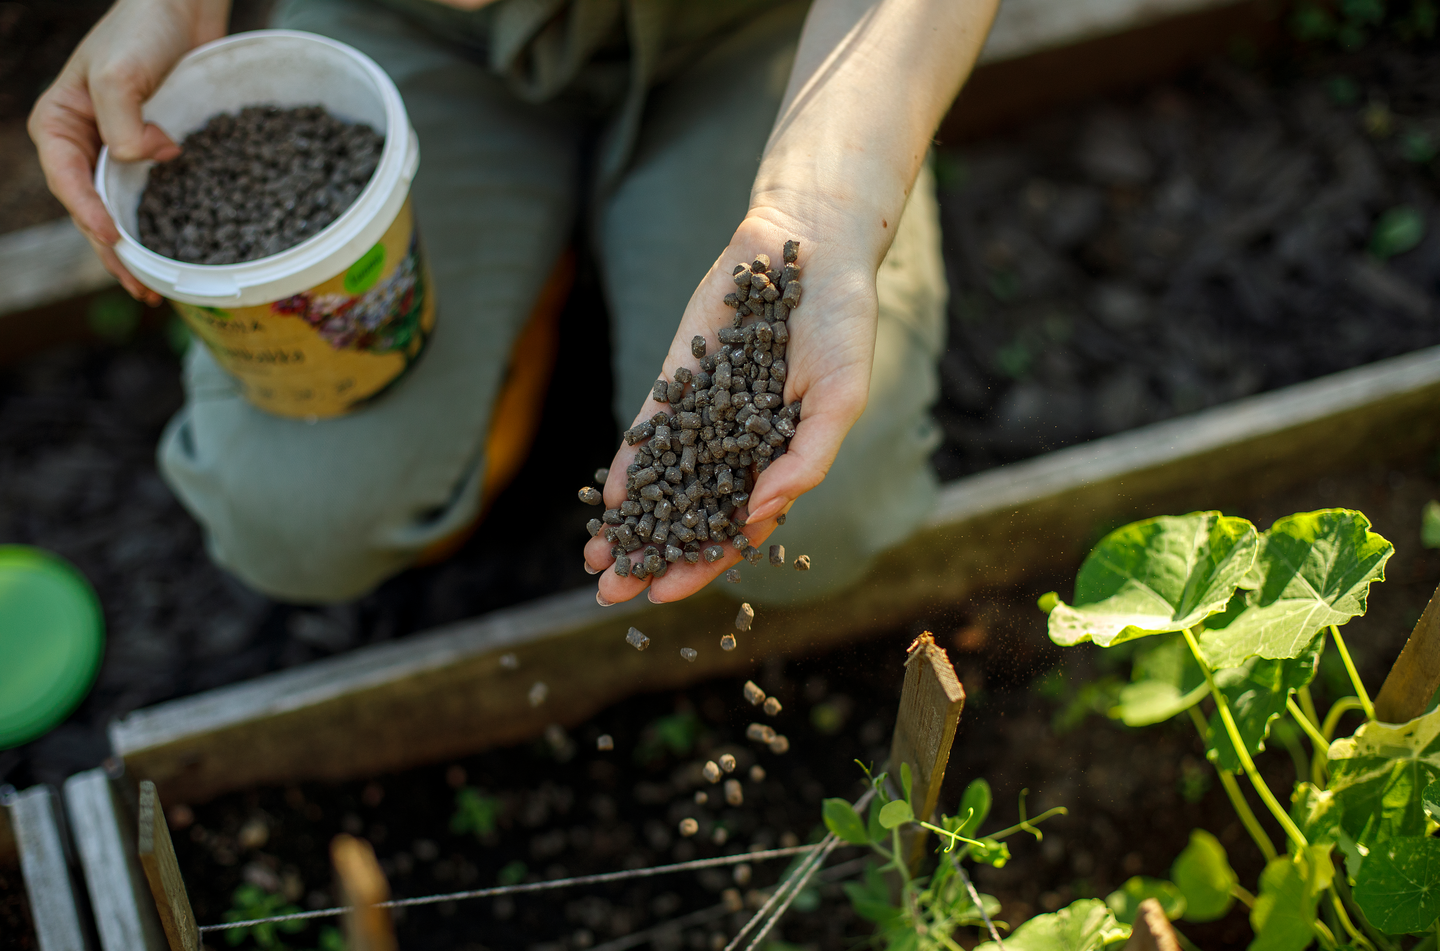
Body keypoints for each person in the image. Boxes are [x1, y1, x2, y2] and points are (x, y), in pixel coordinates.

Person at [29, 0, 997, 607]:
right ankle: (541, 298)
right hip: (420, 27)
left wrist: (824, 208)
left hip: (766, 37)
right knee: (300, 518)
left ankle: (562, 254)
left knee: (816, 519)